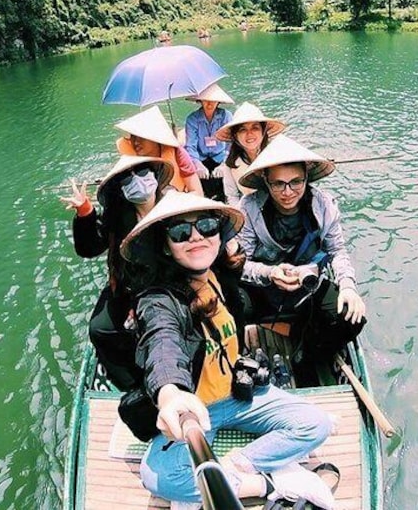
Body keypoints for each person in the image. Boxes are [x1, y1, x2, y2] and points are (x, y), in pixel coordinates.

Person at [120, 191, 337, 509]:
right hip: (194, 412)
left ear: (218, 235)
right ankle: (273, 483)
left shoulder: (219, 274)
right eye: (181, 232)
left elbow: (251, 270)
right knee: (159, 478)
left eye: (206, 226)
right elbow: (162, 344)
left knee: (317, 423)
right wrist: (171, 394)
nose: (196, 237)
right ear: (165, 246)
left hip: (236, 394)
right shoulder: (159, 300)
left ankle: (237, 468)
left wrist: (284, 272)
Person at [236, 135, 367, 386]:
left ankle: (308, 350)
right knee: (228, 304)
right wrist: (270, 273)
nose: (287, 192)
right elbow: (241, 262)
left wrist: (348, 287)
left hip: (308, 288)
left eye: (296, 182)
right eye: (278, 184)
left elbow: (337, 250)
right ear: (266, 181)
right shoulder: (250, 207)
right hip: (263, 287)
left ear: (306, 178)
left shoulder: (324, 205)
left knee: (352, 318)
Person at [59, 155, 174, 391]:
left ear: (153, 175)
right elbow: (89, 248)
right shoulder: (118, 215)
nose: (138, 182)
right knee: (100, 329)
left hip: (170, 288)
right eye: (127, 180)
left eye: (142, 173)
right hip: (127, 287)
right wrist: (85, 212)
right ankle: (132, 384)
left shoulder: (174, 207)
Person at [115, 105, 203, 196]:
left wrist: (177, 200)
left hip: (177, 200)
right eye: (133, 136)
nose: (136, 142)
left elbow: (198, 192)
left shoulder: (178, 153)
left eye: (141, 137)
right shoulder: (129, 161)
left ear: (155, 138)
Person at [214, 102, 286, 208]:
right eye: (243, 130)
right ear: (235, 136)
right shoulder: (231, 164)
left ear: (263, 131)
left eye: (255, 128)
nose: (249, 134)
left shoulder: (277, 155)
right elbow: (232, 196)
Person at [183, 83, 234, 200]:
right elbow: (190, 146)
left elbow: (230, 144)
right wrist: (197, 164)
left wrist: (224, 164)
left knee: (224, 178)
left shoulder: (226, 116)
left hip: (221, 156)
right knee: (202, 180)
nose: (209, 103)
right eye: (205, 100)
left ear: (218, 101)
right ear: (200, 100)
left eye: (213, 100)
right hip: (200, 157)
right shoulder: (192, 119)